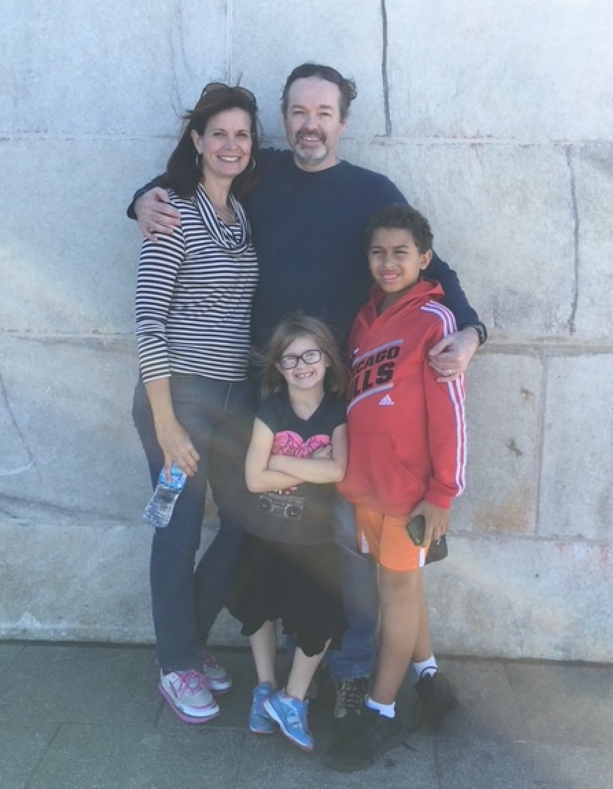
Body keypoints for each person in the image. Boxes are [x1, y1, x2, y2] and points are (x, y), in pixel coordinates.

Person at [129, 63, 486, 726]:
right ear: (285, 118)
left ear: (342, 122)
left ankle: (345, 664)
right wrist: (140, 197)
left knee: (338, 535)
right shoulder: (259, 174)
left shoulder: (371, 191)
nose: (310, 124)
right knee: (226, 526)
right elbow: (196, 174)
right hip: (255, 392)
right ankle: (195, 656)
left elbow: (430, 265)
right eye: (298, 111)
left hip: (338, 402)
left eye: (323, 112)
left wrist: (470, 333)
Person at [132, 82, 260, 725]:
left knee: (243, 523)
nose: (231, 145)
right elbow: (148, 323)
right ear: (197, 141)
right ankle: (175, 664)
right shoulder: (173, 212)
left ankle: (191, 637)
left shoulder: (242, 214)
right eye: (219, 134)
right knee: (177, 533)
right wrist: (164, 420)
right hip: (176, 397)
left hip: (234, 400)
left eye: (242, 134)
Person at [322, 204, 467, 771]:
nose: (388, 262)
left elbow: (451, 414)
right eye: (378, 252)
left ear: (423, 259)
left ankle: (381, 711)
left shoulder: (434, 321)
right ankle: (428, 677)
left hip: (412, 494)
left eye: (400, 253)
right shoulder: (362, 322)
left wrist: (443, 494)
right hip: (367, 491)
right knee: (403, 590)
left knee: (395, 594)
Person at [227, 313, 348, 752]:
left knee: (322, 615)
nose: (301, 365)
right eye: (289, 358)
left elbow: (339, 468)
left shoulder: (337, 410)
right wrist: (308, 470)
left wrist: (276, 462)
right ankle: (264, 687)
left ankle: (292, 698)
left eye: (310, 354)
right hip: (265, 530)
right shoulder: (271, 408)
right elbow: (253, 481)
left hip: (314, 538)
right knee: (258, 608)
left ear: (328, 359)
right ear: (277, 366)